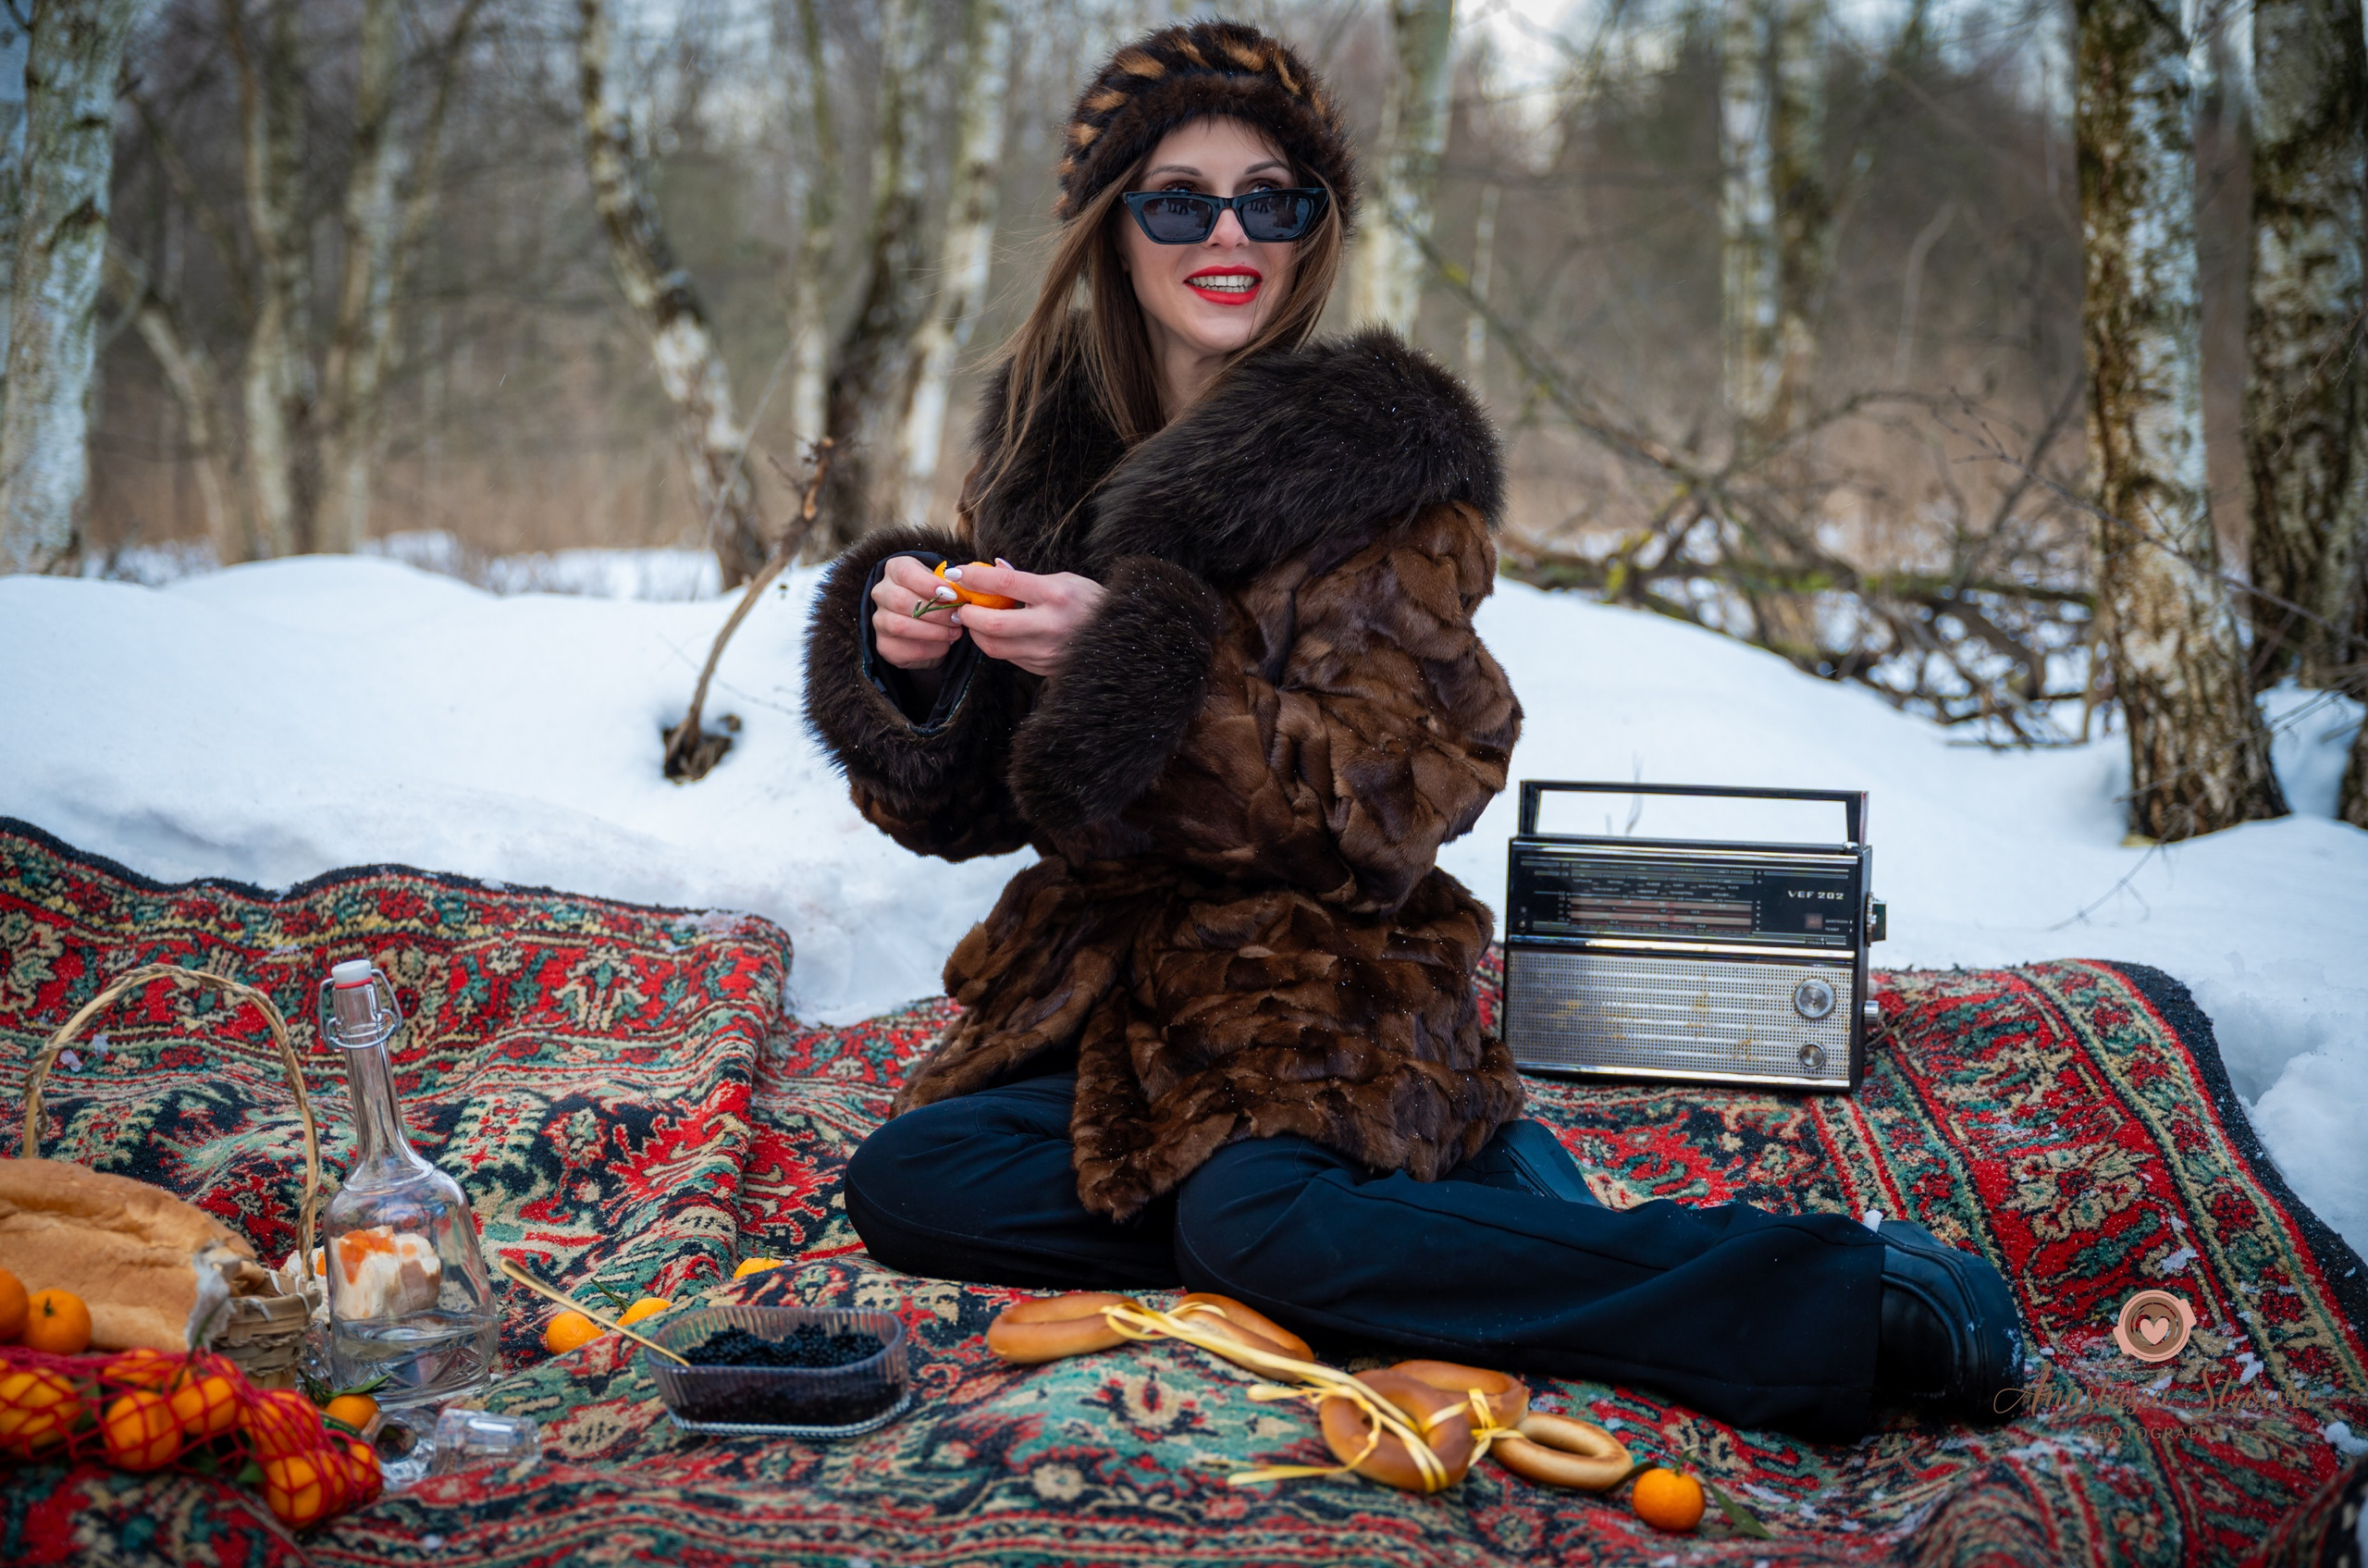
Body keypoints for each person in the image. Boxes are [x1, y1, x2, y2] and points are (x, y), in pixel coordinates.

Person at [804, 19, 2023, 1439]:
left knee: (1254, 1227)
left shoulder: (1386, 474)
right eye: (1180, 199)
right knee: (909, 1180)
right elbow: (1000, 806)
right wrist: (921, 672)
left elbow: (1387, 797)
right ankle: (1445, 1222)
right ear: (1112, 227)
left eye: (1273, 198)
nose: (1229, 234)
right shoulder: (1043, 462)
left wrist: (1134, 659)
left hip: (1329, 980)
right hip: (1125, 1000)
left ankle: (1833, 1292)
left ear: (1314, 227)